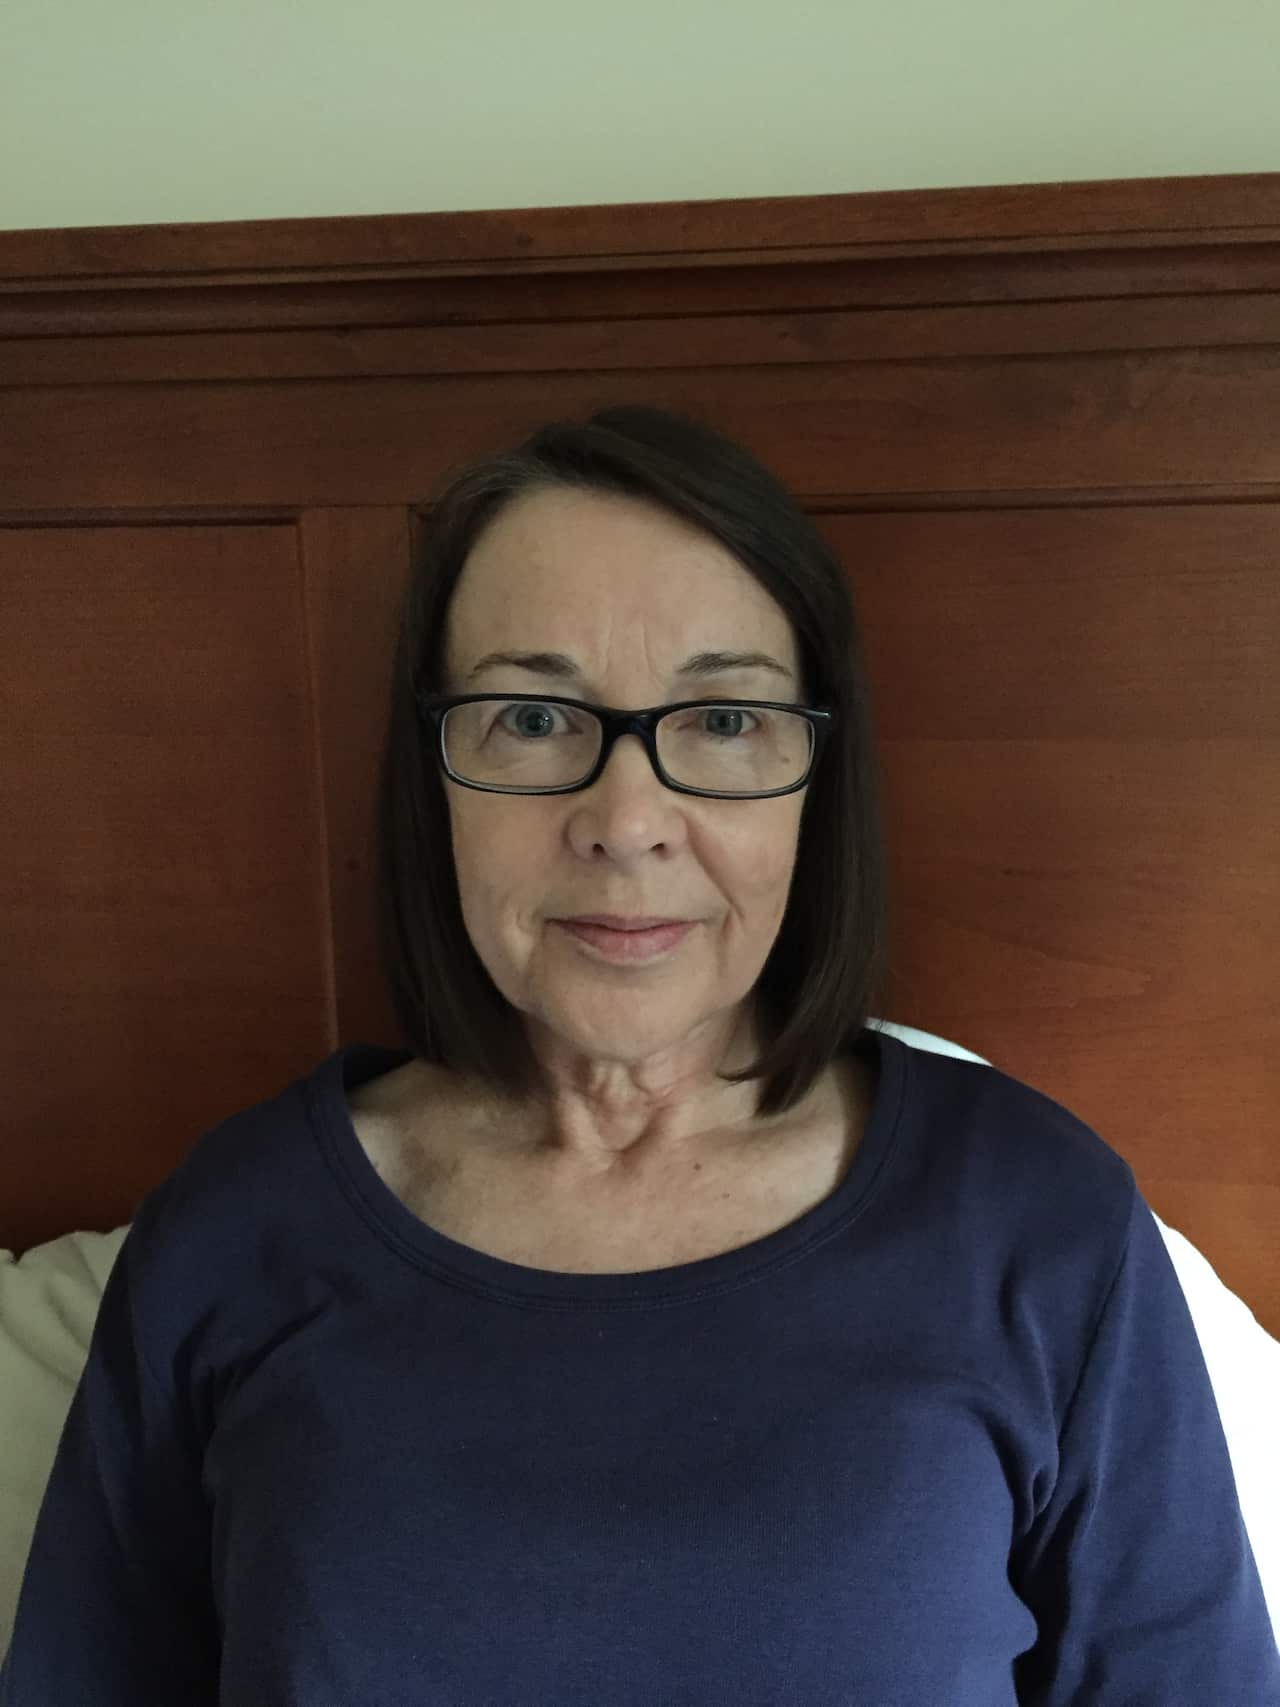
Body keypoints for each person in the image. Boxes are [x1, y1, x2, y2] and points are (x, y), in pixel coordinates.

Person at [2, 405, 1276, 1705]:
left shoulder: (1041, 1223)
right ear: (431, 770)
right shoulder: (233, 1230)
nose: (626, 821)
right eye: (533, 717)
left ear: (813, 780)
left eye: (725, 723)